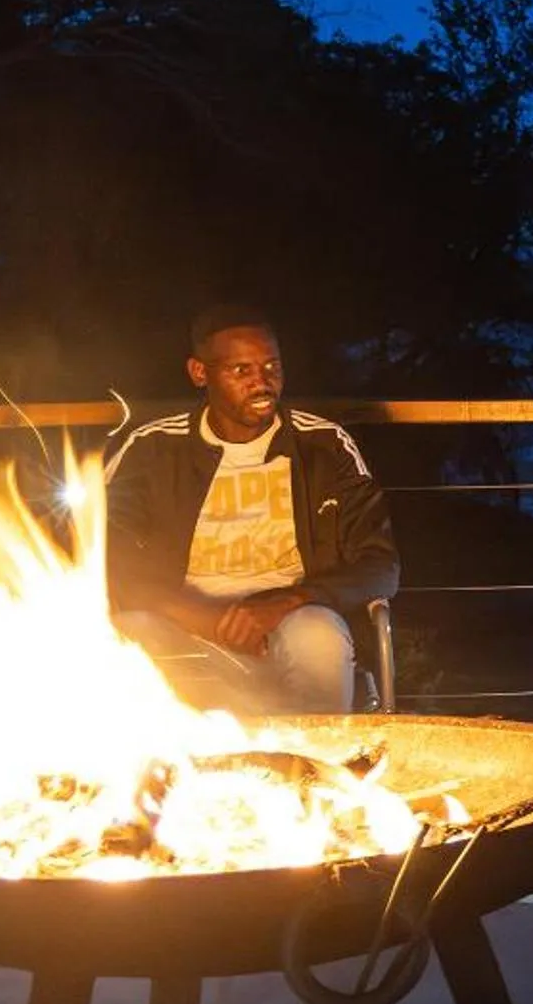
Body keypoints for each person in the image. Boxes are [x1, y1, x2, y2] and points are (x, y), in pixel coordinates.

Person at [104, 306, 398, 716]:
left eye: (271, 366)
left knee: (318, 636)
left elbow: (380, 566)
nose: (262, 382)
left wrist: (286, 602)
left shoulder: (323, 446)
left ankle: (319, 755)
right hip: (185, 627)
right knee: (126, 634)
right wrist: (200, 617)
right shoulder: (153, 449)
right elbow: (108, 557)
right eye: (241, 370)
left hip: (292, 622)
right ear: (200, 373)